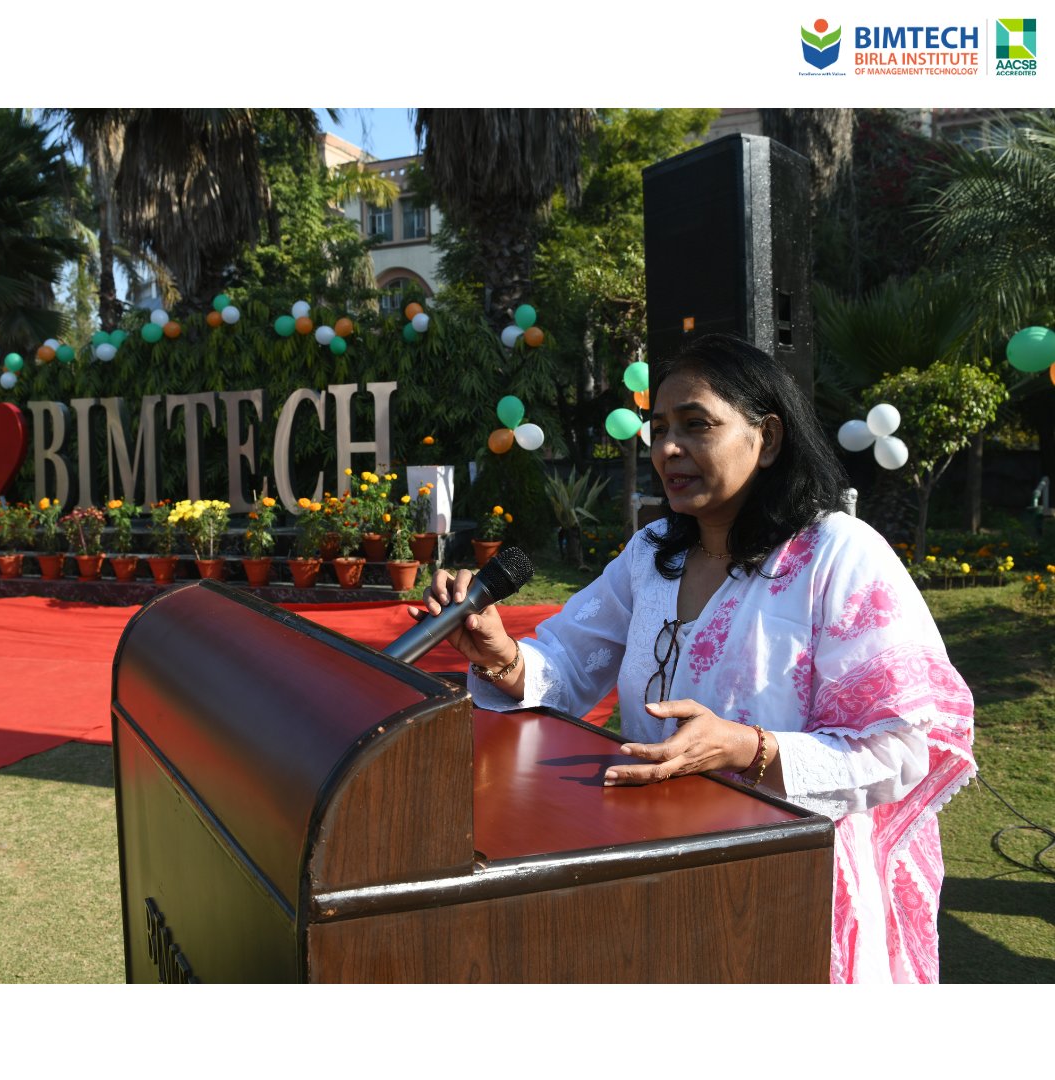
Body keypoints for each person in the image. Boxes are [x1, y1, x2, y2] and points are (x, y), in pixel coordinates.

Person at [412, 333, 976, 984]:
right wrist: (504, 656)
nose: (669, 449)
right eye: (659, 429)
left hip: (788, 886)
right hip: (657, 866)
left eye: (696, 425)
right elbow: (566, 661)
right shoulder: (653, 554)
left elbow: (901, 749)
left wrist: (748, 749)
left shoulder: (836, 555)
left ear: (765, 438)